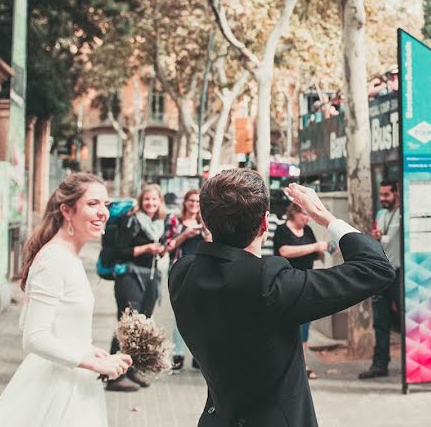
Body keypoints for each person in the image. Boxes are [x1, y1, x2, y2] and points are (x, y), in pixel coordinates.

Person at [169, 170, 395, 427]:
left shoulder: (182, 273)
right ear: (265, 223)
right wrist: (326, 217)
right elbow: (377, 268)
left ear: (207, 222)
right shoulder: (269, 283)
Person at [0, 173, 132, 427]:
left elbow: (37, 322)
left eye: (105, 205)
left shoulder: (67, 257)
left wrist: (86, 348)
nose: (103, 213)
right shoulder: (54, 260)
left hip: (72, 380)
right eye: (92, 204)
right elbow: (33, 336)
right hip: (57, 389)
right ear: (67, 210)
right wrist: (95, 363)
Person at [106, 183, 168, 392]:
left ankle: (131, 370)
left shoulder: (158, 223)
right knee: (127, 325)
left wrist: (159, 251)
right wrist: (147, 248)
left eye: (154, 199)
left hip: (150, 277)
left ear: (160, 202)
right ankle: (112, 375)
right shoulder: (131, 220)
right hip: (129, 277)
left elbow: (159, 251)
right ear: (141, 201)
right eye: (147, 199)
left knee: (142, 326)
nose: (150, 203)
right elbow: (120, 251)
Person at [273, 202, 330, 380]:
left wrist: (322, 249)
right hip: (287, 283)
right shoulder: (282, 230)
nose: (307, 219)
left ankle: (302, 364)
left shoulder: (308, 231)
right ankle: (285, 365)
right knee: (288, 325)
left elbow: (314, 253)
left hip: (306, 282)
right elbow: (284, 251)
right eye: (304, 215)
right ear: (294, 213)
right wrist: (314, 247)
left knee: (304, 325)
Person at [359, 179, 402, 379]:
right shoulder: (381, 214)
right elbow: (375, 238)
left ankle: (412, 363)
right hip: (382, 273)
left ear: (396, 194)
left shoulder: (403, 214)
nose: (383, 199)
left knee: (406, 321)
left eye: (387, 195)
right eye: (381, 195)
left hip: (401, 273)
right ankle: (380, 365)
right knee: (380, 322)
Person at [165, 189, 210, 372]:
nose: (193, 204)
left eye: (197, 201)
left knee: (201, 316)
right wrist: (185, 234)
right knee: (180, 315)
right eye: (191, 201)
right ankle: (178, 354)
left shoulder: (206, 221)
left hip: (202, 272)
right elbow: (168, 246)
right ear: (185, 202)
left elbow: (212, 243)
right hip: (180, 272)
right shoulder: (175, 221)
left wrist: (205, 231)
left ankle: (198, 357)